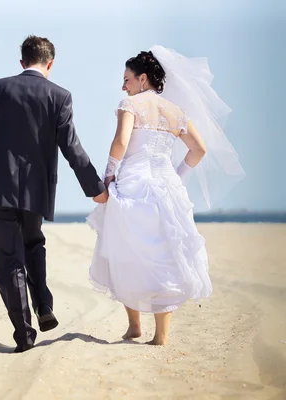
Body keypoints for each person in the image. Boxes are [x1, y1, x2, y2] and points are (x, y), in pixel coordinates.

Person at [87, 47, 245, 345]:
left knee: (126, 250)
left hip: (134, 185)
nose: (124, 86)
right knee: (165, 256)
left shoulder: (129, 104)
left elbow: (121, 141)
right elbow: (199, 150)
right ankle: (161, 336)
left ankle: (134, 327)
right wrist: (177, 176)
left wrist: (109, 175)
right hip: (166, 186)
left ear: (142, 78)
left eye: (127, 79)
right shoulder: (176, 112)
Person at [0, 35, 108, 353]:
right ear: (50, 64)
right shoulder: (60, 96)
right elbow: (72, 148)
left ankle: (25, 334)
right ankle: (44, 304)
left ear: (22, 62)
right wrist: (95, 189)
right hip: (36, 190)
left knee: (8, 260)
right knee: (32, 243)